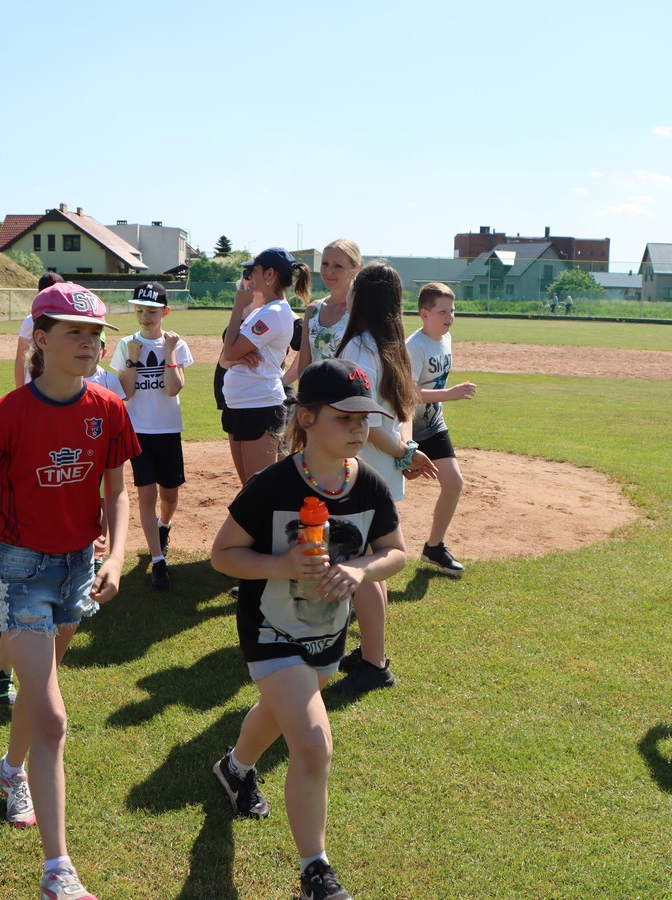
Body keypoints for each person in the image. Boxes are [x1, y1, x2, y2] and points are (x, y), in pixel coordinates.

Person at [0, 281, 137, 900]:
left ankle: (9, 771)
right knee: (52, 712)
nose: (88, 343)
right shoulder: (8, 413)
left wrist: (119, 557)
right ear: (42, 340)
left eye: (95, 334)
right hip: (20, 569)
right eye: (74, 332)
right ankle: (59, 872)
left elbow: (119, 492)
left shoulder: (109, 408)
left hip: (79, 566)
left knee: (39, 684)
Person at [211, 357, 407, 900]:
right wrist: (279, 565)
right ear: (307, 417)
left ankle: (234, 767)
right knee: (314, 743)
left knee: (279, 712)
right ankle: (315, 872)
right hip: (270, 628)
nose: (359, 429)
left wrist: (360, 569)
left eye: (364, 419)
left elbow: (395, 553)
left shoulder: (366, 482)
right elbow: (222, 555)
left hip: (326, 632)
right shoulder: (270, 485)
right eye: (345, 418)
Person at [330, 263, 436, 694]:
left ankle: (374, 662)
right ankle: (371, 653)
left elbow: (360, 419)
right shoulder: (395, 346)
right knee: (373, 562)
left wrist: (400, 451)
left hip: (366, 467)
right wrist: (406, 451)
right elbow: (405, 411)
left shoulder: (358, 347)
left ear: (362, 298)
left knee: (366, 565)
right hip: (386, 468)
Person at [110, 281, 193, 591]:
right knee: (147, 494)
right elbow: (126, 392)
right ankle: (158, 562)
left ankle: (164, 526)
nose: (146, 316)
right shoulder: (126, 344)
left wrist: (169, 352)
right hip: (139, 431)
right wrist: (132, 358)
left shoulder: (176, 343)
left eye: (153, 311)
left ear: (165, 312)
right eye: (141, 310)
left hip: (168, 430)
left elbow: (173, 388)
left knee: (170, 495)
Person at [220, 247, 309, 485]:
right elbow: (229, 356)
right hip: (242, 403)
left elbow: (229, 350)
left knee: (260, 492)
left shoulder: (274, 312)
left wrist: (238, 307)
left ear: (270, 275)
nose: (249, 276)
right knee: (249, 490)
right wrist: (238, 355)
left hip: (258, 405)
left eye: (255, 270)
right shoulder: (264, 311)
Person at [406, 283, 477, 574]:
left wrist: (444, 398)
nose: (449, 316)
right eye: (442, 311)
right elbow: (406, 395)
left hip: (434, 425)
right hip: (406, 428)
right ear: (424, 314)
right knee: (390, 490)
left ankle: (434, 547)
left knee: (454, 483)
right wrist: (449, 394)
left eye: (453, 310)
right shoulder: (414, 347)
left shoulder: (445, 339)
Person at [286, 239, 361, 382]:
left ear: (356, 269)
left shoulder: (360, 311)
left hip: (348, 399)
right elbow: (304, 368)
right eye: (324, 264)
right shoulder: (313, 310)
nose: (328, 272)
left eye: (337, 266)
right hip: (315, 399)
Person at [14, 272, 66, 388]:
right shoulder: (31, 320)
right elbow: (20, 358)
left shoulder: (69, 320)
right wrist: (19, 390)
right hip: (34, 387)